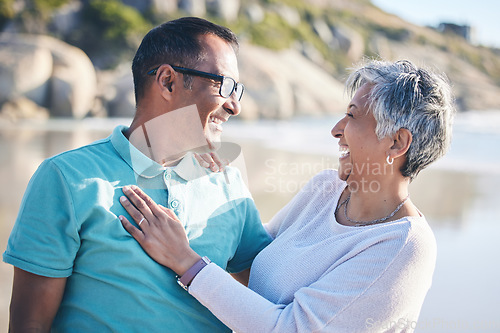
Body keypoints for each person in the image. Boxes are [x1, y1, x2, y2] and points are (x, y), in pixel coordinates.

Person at [118, 59, 456, 332]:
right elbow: (249, 254)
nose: (336, 128)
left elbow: (289, 328)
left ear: (397, 143)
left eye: (352, 115)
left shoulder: (404, 246)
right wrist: (212, 182)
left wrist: (186, 262)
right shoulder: (326, 189)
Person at [3, 17, 271, 332]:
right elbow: (29, 324)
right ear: (168, 81)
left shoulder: (229, 184)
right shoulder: (66, 178)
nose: (235, 105)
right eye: (223, 85)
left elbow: (273, 299)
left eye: (237, 89)